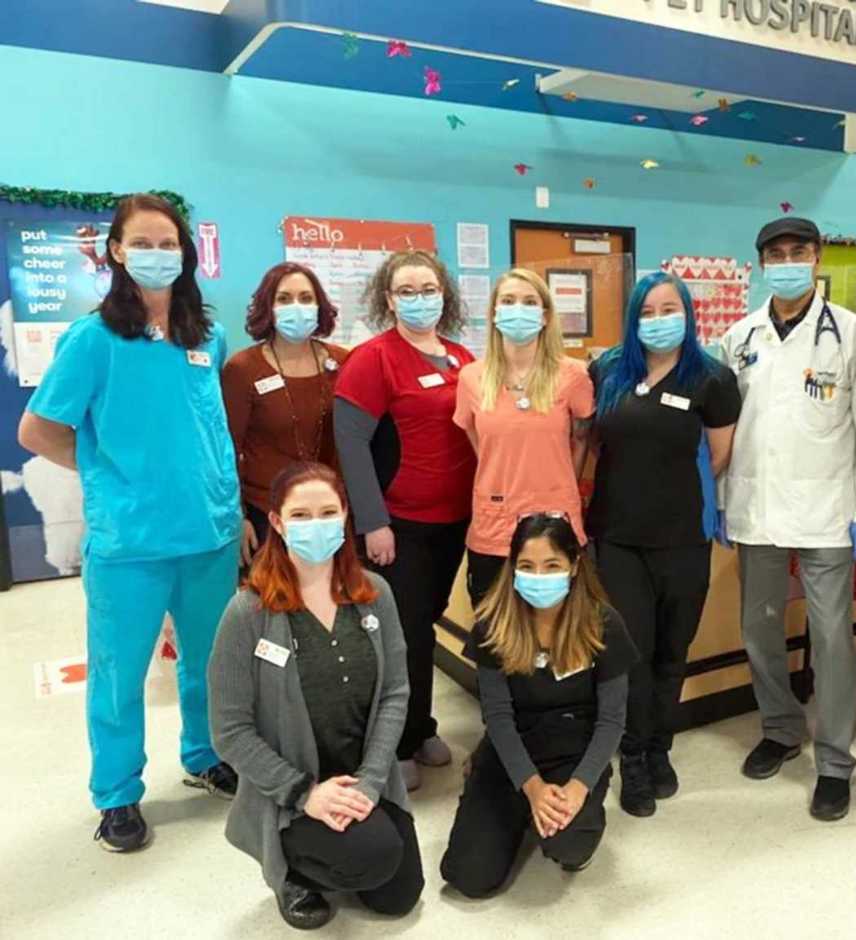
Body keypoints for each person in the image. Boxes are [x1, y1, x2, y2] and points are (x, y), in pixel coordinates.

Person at [17, 193, 240, 851]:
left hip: (210, 533)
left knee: (209, 664)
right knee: (119, 674)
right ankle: (117, 795)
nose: (156, 255)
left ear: (186, 252)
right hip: (130, 543)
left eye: (168, 243)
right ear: (115, 251)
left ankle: (204, 757)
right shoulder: (92, 339)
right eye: (141, 243)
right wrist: (105, 476)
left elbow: (209, 425)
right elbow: (37, 431)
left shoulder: (207, 334)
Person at [717, 218, 856, 822]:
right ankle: (780, 728)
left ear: (816, 258)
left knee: (832, 640)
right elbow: (723, 431)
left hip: (829, 514)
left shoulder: (853, 335)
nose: (786, 261)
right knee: (760, 630)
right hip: (756, 510)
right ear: (761, 262)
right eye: (775, 253)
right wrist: (718, 498)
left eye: (798, 251)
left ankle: (836, 761)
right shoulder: (738, 338)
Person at [208, 462, 423, 930]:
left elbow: (395, 693)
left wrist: (368, 782)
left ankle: (344, 837)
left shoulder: (374, 595)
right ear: (278, 523)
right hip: (291, 791)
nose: (316, 524)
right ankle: (291, 870)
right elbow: (229, 731)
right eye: (300, 515)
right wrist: (304, 794)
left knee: (397, 896)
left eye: (327, 512)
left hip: (362, 777)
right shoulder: (247, 613)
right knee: (372, 854)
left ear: (345, 517)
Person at [587, 272, 740, 817]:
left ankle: (659, 749)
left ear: (689, 313)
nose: (658, 320)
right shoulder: (607, 371)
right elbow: (588, 445)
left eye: (668, 309)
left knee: (674, 652)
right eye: (647, 312)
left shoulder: (712, 379)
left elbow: (719, 456)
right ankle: (631, 757)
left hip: (683, 539)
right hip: (618, 539)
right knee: (634, 655)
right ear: (632, 319)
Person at [334, 250, 475, 792]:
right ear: (388, 299)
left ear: (445, 294)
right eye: (407, 290)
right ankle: (395, 743)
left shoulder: (462, 358)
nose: (420, 299)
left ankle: (420, 727)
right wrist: (373, 522)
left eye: (429, 288)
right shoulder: (374, 359)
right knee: (401, 636)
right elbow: (351, 442)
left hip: (455, 521)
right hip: (399, 525)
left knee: (425, 626)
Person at [440, 513, 637, 896]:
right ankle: (511, 804)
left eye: (552, 566)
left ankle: (548, 815)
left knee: (571, 847)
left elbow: (612, 720)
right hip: (511, 749)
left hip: (573, 753)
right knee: (469, 878)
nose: (539, 576)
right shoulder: (492, 625)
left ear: (575, 566)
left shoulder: (603, 623)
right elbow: (497, 717)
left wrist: (579, 787)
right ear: (512, 568)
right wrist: (531, 788)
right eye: (527, 566)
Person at [454, 269, 594, 608]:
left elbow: (584, 441)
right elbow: (479, 445)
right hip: (494, 527)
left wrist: (561, 486)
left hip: (557, 524)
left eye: (530, 302)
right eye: (508, 301)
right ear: (494, 313)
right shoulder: (472, 378)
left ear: (545, 315)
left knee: (559, 636)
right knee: (495, 641)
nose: (519, 309)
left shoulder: (573, 376)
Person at [221, 262, 349, 563]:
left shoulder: (344, 362)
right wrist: (238, 517)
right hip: (267, 513)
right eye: (284, 298)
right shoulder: (243, 369)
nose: (297, 307)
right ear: (268, 306)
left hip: (331, 513)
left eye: (306, 298)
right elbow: (227, 449)